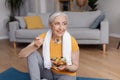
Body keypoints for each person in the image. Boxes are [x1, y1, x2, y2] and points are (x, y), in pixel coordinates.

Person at [18, 12, 80, 80]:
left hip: (66, 75)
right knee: (32, 53)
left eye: (64, 24)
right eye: (57, 24)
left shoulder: (72, 41)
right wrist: (34, 46)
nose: (61, 28)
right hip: (49, 72)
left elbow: (75, 67)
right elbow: (21, 55)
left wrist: (67, 67)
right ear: (50, 25)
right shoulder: (44, 37)